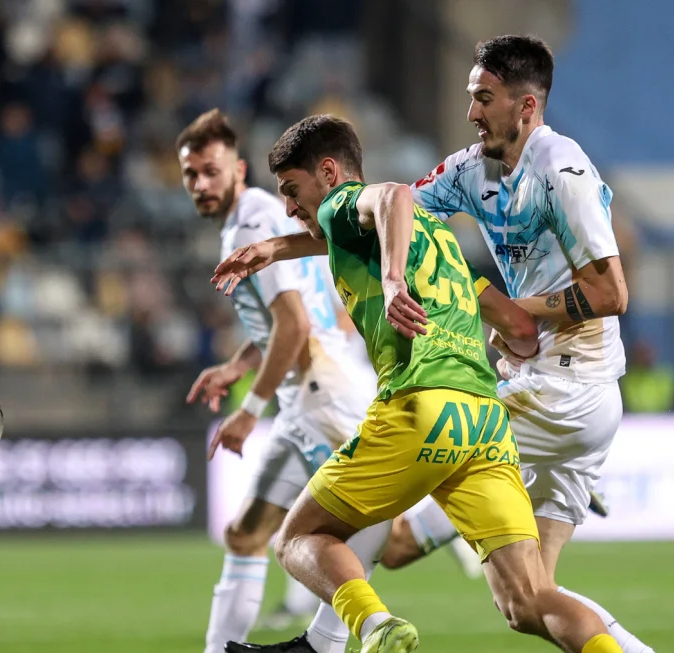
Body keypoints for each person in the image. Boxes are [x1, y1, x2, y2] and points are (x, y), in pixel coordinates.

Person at [212, 114, 623, 653]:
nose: (288, 206)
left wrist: (392, 281)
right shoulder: (441, 241)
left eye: (292, 190)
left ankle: (375, 628)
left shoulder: (341, 204)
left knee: (297, 538)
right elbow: (521, 330)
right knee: (530, 600)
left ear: (329, 173)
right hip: (485, 421)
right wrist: (276, 248)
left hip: (419, 408)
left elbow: (393, 196)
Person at [177, 110, 483, 653]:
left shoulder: (253, 220)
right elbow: (294, 318)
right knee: (248, 534)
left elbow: (295, 324)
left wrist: (249, 410)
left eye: (210, 171)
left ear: (238, 170)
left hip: (321, 394)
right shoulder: (266, 216)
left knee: (377, 537)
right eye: (190, 174)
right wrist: (238, 365)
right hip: (308, 394)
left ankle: (356, 621)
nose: (200, 184)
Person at [407, 35, 653, 652]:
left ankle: (328, 634)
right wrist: (292, 240)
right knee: (529, 602)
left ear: (526, 105)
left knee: (402, 500)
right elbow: (394, 216)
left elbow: (611, 292)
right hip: (551, 389)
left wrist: (508, 308)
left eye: (484, 98)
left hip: (567, 390)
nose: (471, 112)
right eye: (471, 96)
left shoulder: (562, 169)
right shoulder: (474, 169)